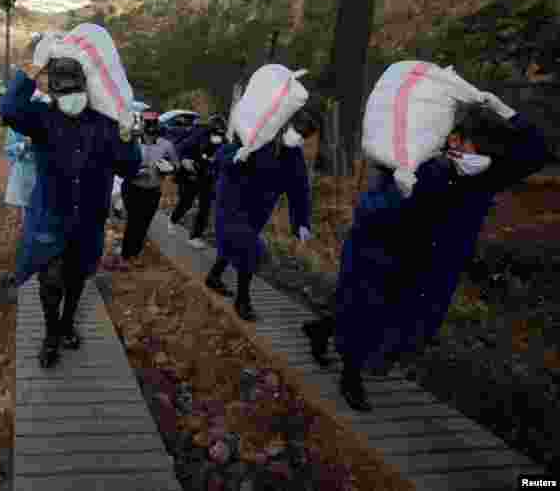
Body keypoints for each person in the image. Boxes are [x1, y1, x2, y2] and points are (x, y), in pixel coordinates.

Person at [302, 95, 550, 412]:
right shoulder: (418, 165)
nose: (485, 156)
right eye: (480, 146)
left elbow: (538, 152)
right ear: (455, 139)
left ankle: (322, 330)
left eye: (491, 151)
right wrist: (399, 195)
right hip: (384, 253)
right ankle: (351, 376)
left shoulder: (487, 175)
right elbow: (368, 210)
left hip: (433, 265)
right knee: (367, 313)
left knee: (401, 324)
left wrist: (507, 111)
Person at [1, 56, 142, 368]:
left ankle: (67, 325)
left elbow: (130, 167)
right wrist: (32, 68)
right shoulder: (41, 118)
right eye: (62, 92)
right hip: (51, 217)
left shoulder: (104, 125)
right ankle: (51, 335)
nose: (71, 98)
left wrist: (128, 136)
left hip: (88, 221)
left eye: (75, 90)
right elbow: (9, 109)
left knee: (77, 278)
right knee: (50, 281)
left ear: (86, 88)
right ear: (52, 93)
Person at [203, 108, 318, 322]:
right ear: (286, 125)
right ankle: (243, 300)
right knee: (251, 250)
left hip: (258, 211)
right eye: (298, 131)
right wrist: (237, 157)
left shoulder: (293, 157)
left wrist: (301, 221)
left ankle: (213, 276)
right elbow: (221, 157)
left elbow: (299, 190)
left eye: (304, 136)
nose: (299, 138)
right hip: (232, 202)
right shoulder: (258, 137)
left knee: (236, 243)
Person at [119, 125, 178, 268]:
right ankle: (125, 255)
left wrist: (169, 168)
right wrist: (133, 171)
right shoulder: (132, 142)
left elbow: (176, 164)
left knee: (144, 222)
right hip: (132, 188)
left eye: (153, 134)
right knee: (133, 221)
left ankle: (135, 254)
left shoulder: (166, 145)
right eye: (147, 134)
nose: (149, 137)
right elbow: (120, 165)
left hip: (153, 190)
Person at [169, 114, 226, 248]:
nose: (217, 135)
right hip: (193, 174)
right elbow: (180, 148)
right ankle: (173, 220)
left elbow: (224, 158)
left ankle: (195, 236)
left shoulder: (224, 142)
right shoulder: (198, 135)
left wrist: (217, 165)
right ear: (209, 129)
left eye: (220, 132)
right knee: (186, 202)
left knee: (205, 208)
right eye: (215, 131)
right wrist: (184, 160)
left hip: (209, 178)